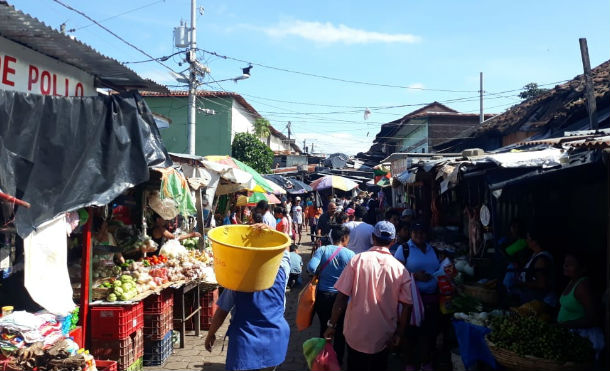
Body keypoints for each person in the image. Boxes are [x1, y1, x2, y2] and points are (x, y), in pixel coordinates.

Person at [324, 221, 413, 371]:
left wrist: (332, 325)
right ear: (393, 241)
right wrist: (400, 334)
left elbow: (342, 297)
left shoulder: (357, 260)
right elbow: (407, 305)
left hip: (356, 333)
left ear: (373, 237)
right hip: (384, 336)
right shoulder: (400, 269)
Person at [204, 225, 291, 371]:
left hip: (245, 341)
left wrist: (211, 333)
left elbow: (222, 311)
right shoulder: (282, 269)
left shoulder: (237, 281)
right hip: (275, 336)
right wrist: (270, 232)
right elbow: (284, 247)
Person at [394, 222, 440, 371]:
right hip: (411, 300)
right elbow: (395, 274)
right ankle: (410, 363)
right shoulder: (404, 249)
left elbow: (436, 268)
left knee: (429, 332)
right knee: (410, 333)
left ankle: (426, 362)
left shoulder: (431, 249)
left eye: (422, 232)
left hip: (431, 298)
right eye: (416, 232)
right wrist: (414, 275)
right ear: (411, 233)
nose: (419, 235)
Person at [308, 226, 354, 365]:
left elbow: (310, 267)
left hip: (323, 296)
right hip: (342, 298)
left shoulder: (323, 250)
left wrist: (320, 273)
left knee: (324, 327)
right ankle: (337, 361)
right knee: (340, 331)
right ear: (344, 238)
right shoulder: (351, 254)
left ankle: (323, 361)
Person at [557, 253, 605, 357]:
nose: (565, 266)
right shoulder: (572, 281)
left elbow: (592, 319)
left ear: (583, 269)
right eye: (565, 263)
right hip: (569, 335)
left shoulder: (583, 286)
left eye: (570, 264)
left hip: (581, 337)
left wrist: (564, 325)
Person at [514, 229, 557, 307]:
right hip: (533, 299)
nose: (526, 240)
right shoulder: (535, 254)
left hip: (542, 302)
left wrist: (523, 284)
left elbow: (541, 284)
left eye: (528, 238)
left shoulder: (541, 260)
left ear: (535, 242)